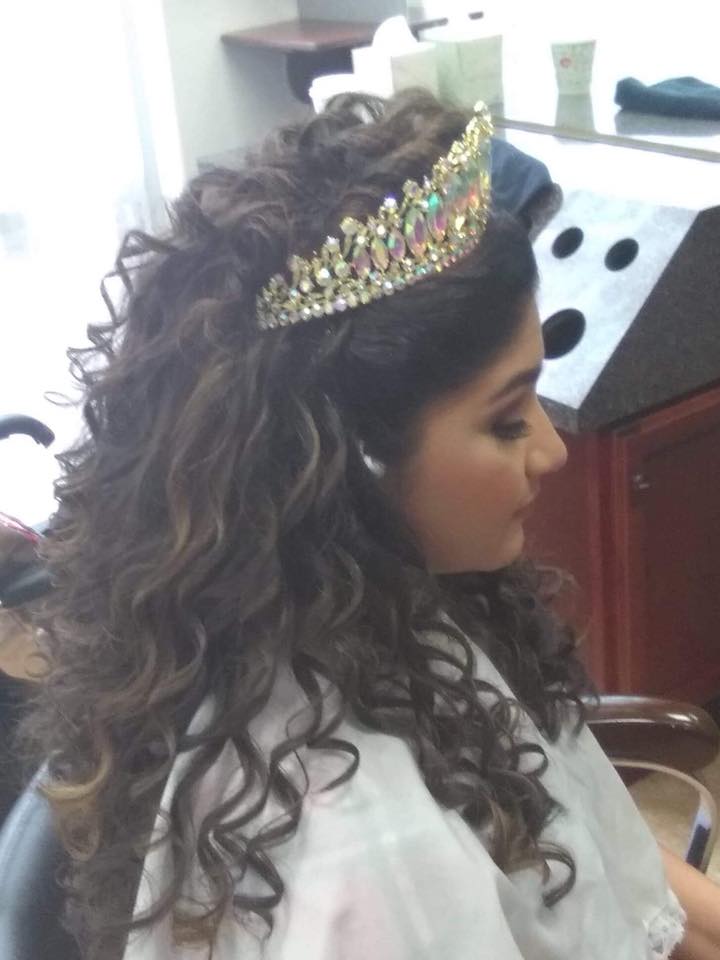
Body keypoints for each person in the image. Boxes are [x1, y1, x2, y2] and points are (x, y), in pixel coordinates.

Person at [19, 89, 720, 960]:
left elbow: (568, 841)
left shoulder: (373, 604)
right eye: (507, 420)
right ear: (347, 462)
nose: (551, 451)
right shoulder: (361, 847)